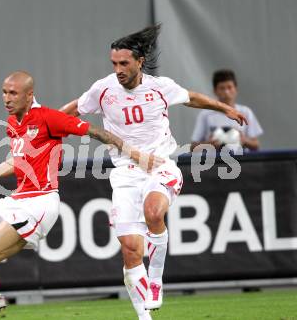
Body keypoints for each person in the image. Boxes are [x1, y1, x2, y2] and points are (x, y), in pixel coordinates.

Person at [60, 25, 248, 320]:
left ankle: (157, 278)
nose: (118, 69)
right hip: (124, 174)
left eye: (124, 63)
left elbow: (192, 97)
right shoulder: (104, 89)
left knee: (154, 212)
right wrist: (46, 123)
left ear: (139, 61)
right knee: (131, 250)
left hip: (159, 166)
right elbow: (74, 108)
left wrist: (224, 108)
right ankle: (144, 317)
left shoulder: (159, 87)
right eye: (114, 63)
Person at [0, 71, 161, 320]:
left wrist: (138, 156)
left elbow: (98, 133)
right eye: (4, 92)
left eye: (13, 93)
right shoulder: (13, 123)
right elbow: (15, 162)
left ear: (29, 95)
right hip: (18, 199)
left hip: (39, 203)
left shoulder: (49, 118)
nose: (6, 98)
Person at [191, 69, 263, 152]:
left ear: (235, 89)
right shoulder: (205, 115)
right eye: (222, 88)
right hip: (214, 162)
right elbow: (193, 147)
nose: (226, 91)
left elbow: (256, 145)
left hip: (241, 162)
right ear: (215, 91)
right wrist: (208, 144)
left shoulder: (245, 112)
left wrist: (244, 141)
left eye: (229, 87)